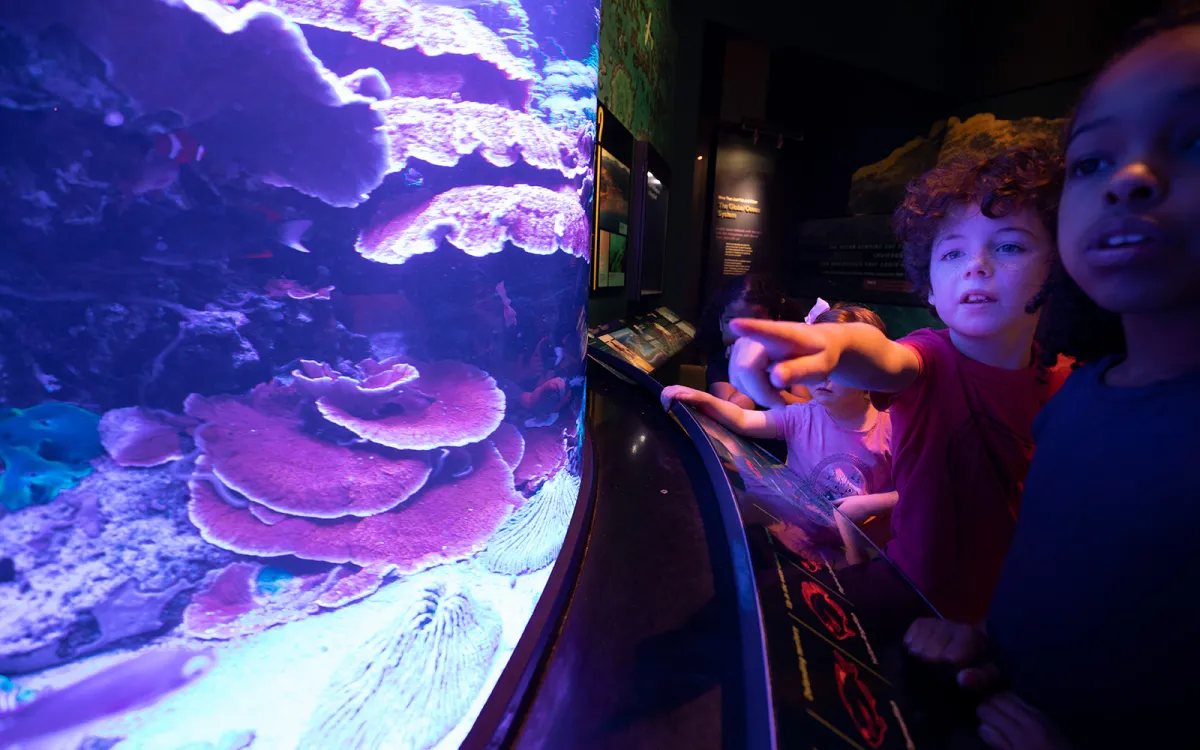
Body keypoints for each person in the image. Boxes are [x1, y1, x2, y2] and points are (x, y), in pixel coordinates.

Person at [906, 12, 1200, 749]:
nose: (1129, 179)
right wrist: (986, 638)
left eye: (1195, 141)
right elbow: (1069, 595)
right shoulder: (1078, 403)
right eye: (1093, 162)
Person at [728, 147, 1073, 623]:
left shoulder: (1069, 384)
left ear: (1057, 267)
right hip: (905, 593)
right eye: (952, 252)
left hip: (996, 616)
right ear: (928, 282)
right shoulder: (929, 357)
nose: (976, 265)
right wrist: (828, 343)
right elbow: (879, 354)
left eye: (1009, 246)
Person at [662, 304, 897, 531]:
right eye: (815, 362)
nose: (823, 376)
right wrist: (702, 399)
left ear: (871, 370)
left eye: (838, 365)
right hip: (797, 531)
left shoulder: (893, 426)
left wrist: (872, 504)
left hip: (856, 544)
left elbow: (912, 491)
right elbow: (743, 419)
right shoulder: (803, 416)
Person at [695, 274, 808, 408]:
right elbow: (733, 409)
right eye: (733, 322)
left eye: (755, 323)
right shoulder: (721, 362)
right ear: (721, 323)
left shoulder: (791, 358)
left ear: (775, 323)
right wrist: (753, 371)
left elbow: (808, 407)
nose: (743, 333)